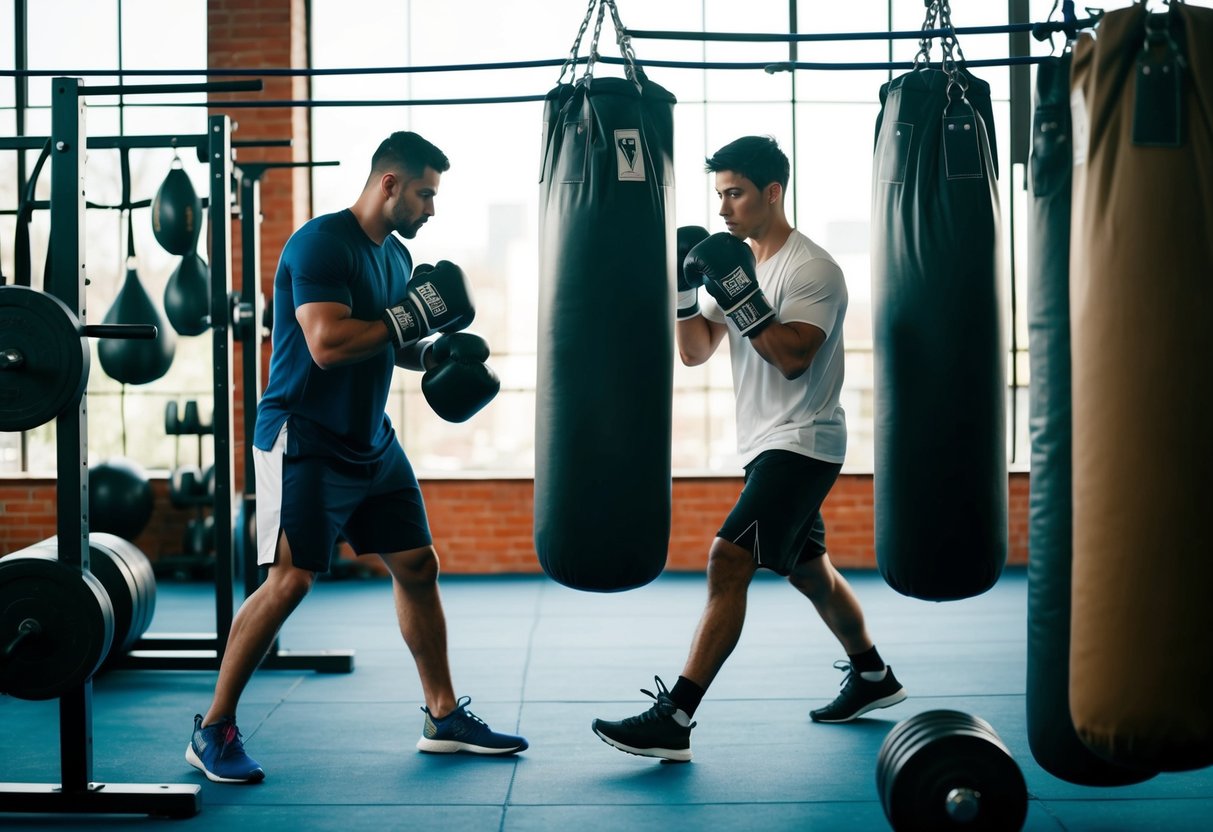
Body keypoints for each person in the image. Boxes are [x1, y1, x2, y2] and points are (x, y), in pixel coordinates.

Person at [186, 131, 527, 784]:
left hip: (371, 439)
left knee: (418, 565)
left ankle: (443, 716)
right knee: (290, 580)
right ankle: (214, 728)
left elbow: (388, 342)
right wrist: (409, 319)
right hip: (305, 437)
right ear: (389, 184)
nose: (431, 208)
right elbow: (327, 344)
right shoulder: (320, 243)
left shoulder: (396, 257)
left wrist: (436, 352)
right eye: (424, 193)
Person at [591, 135, 906, 762]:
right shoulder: (732, 263)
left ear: (773, 192)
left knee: (727, 561)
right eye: (719, 195)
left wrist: (740, 292)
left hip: (803, 441)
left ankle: (676, 716)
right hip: (764, 444)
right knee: (810, 571)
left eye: (734, 193)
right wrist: (686, 290)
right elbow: (695, 350)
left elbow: (792, 358)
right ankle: (873, 675)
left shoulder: (813, 269)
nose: (723, 208)